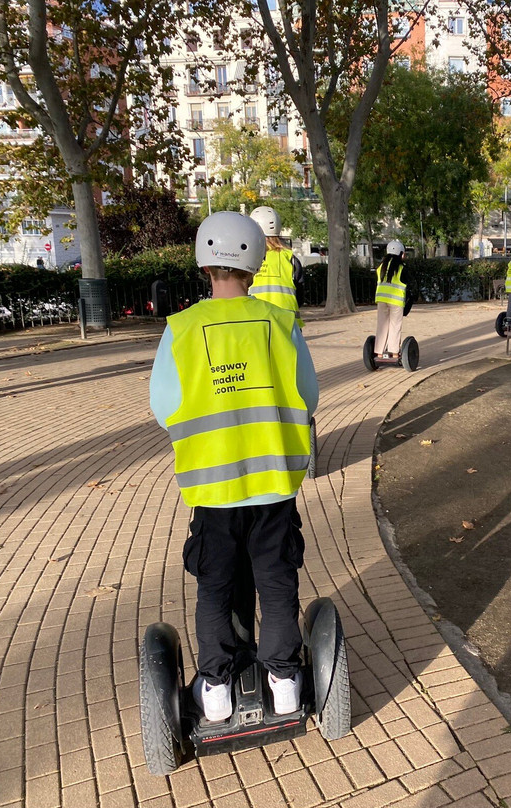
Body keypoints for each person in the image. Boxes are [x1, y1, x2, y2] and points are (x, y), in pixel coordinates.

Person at [149, 211, 319, 723]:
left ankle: (217, 688)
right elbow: (307, 395)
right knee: (276, 582)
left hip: (213, 491)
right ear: (257, 261)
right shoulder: (280, 324)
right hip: (273, 487)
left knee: (216, 588)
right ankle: (285, 681)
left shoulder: (180, 329)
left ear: (206, 265)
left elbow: (164, 405)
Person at [248, 206, 304, 327]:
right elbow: (300, 295)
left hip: (256, 322)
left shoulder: (248, 257)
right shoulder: (291, 259)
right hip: (288, 323)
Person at [375, 240, 412, 357]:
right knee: (395, 326)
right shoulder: (401, 268)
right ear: (401, 254)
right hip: (396, 302)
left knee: (382, 325)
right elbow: (410, 285)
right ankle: (394, 353)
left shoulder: (381, 267)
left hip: (381, 300)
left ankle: (379, 353)